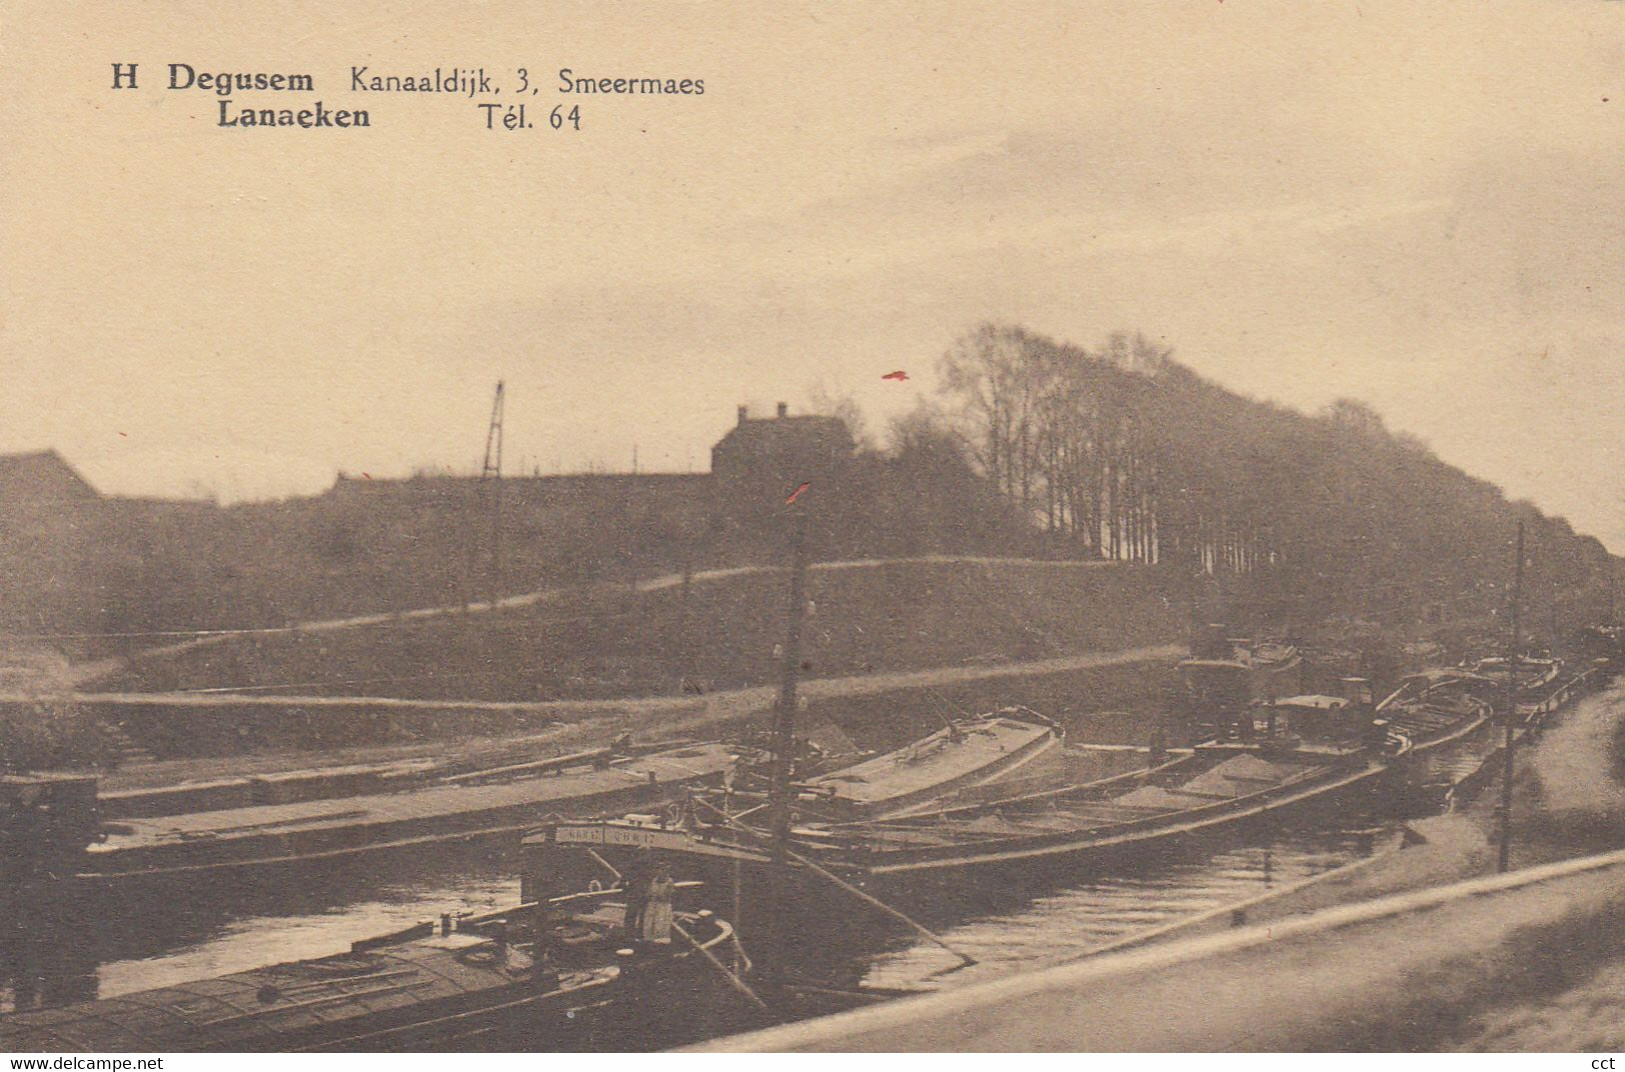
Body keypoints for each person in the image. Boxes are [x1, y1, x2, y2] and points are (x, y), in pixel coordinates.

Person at [641, 860, 676, 945]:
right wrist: (649, 896)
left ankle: (660, 939)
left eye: (663, 870)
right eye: (659, 869)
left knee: (661, 921)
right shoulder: (653, 880)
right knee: (649, 921)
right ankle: (648, 938)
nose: (660, 871)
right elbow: (648, 892)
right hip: (652, 904)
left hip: (663, 905)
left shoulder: (670, 881)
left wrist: (660, 896)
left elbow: (668, 895)